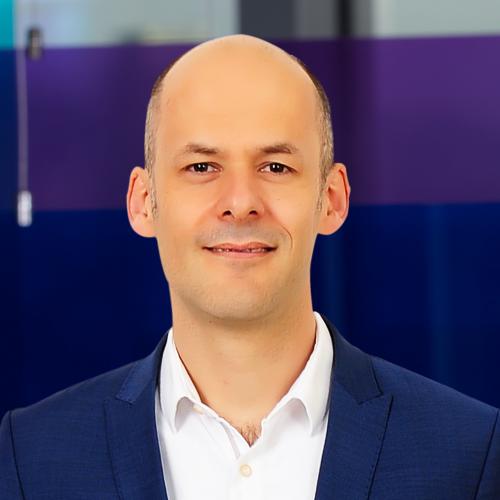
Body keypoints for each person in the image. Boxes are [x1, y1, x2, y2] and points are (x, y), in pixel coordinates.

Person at [0, 34, 498, 499]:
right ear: (143, 202)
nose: (240, 203)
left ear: (332, 198)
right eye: (201, 167)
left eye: (275, 167)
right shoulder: (31, 459)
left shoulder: (470, 453)